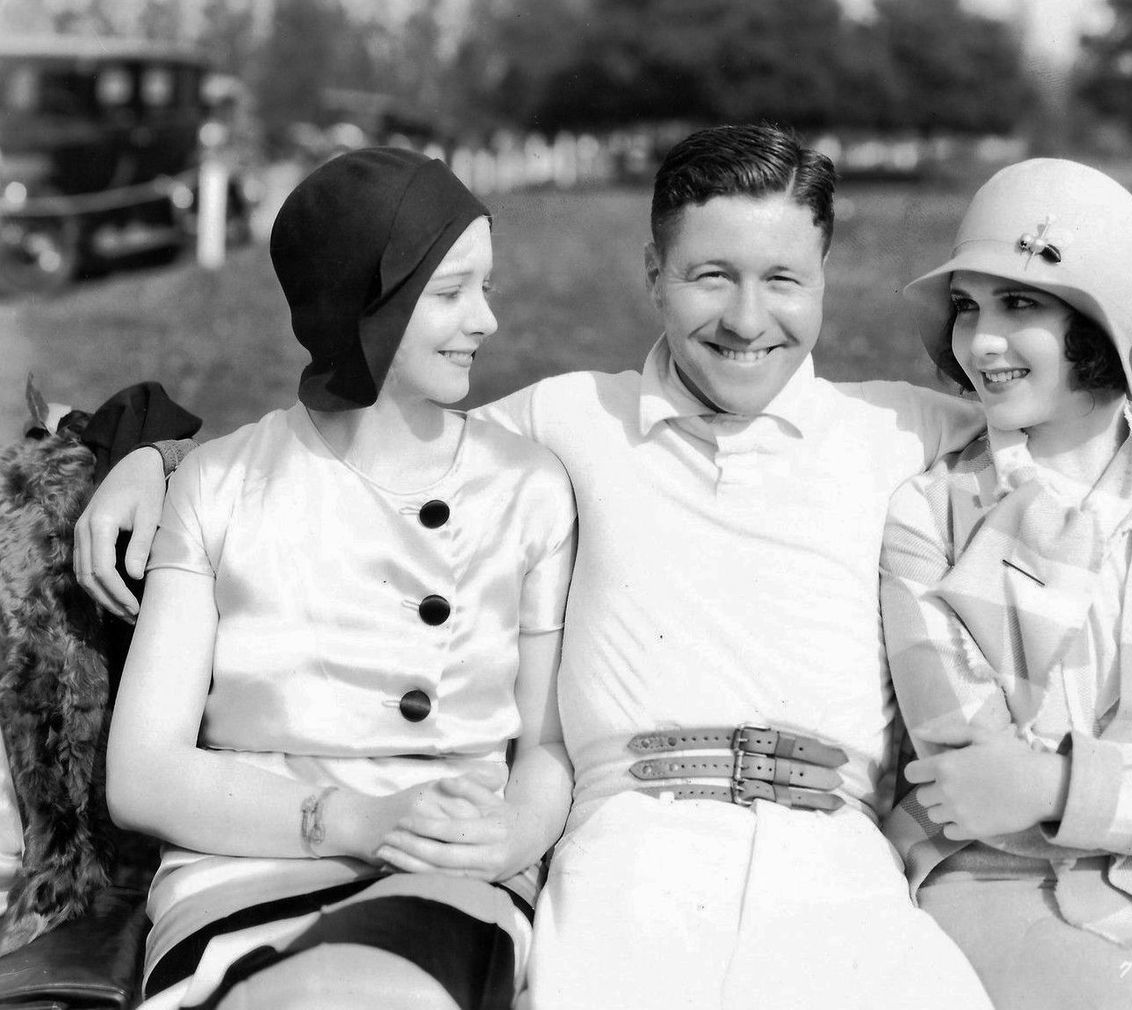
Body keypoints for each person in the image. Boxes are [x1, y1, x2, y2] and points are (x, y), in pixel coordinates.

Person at [79, 125, 992, 1009]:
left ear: (826, 275)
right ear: (655, 276)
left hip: (831, 858)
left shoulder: (901, 430)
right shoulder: (572, 420)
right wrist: (155, 457)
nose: (749, 320)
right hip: (632, 856)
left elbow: (1066, 440)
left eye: (784, 278)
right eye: (711, 276)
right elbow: (367, 437)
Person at [103, 148, 577, 1010]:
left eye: (487, 287)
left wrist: (511, 838)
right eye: (450, 292)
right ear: (362, 300)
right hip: (241, 860)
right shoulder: (223, 484)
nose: (486, 321)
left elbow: (546, 745)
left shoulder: (527, 487)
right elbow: (141, 774)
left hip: (448, 866)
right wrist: (352, 818)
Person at [880, 158, 1132, 1009]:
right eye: (967, 307)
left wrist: (1059, 785)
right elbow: (974, 791)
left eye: (1020, 305)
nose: (981, 342)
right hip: (999, 885)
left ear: (1100, 325)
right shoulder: (928, 515)